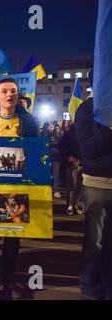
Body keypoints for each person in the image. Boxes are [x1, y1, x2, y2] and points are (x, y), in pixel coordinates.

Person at [0, 78, 39, 300]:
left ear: (17, 96)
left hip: (17, 188)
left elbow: (37, 153)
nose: (9, 95)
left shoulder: (29, 122)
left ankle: (8, 280)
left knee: (13, 239)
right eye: (5, 91)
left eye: (13, 91)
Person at [75, 94, 112, 300]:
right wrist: (109, 131)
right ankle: (89, 285)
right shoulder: (87, 109)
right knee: (95, 243)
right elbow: (88, 149)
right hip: (99, 184)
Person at [41, 122, 63, 199]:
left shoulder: (57, 135)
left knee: (56, 175)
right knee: (46, 175)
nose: (51, 127)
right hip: (47, 158)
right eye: (50, 126)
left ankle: (56, 190)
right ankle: (46, 189)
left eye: (52, 126)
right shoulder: (43, 135)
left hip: (56, 158)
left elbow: (60, 145)